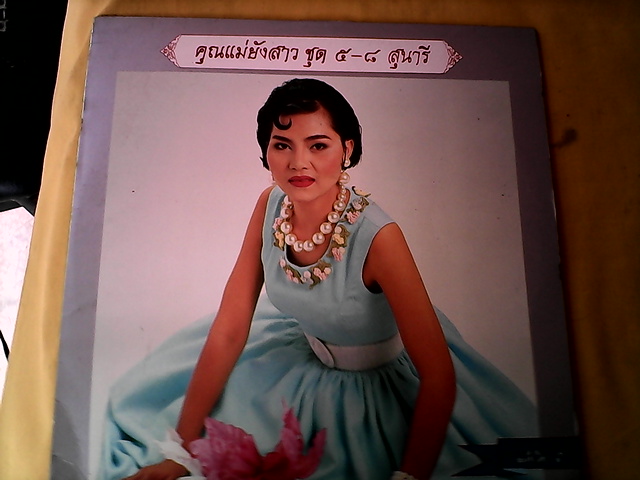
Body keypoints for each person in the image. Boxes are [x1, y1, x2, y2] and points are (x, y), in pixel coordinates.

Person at [100, 78, 538, 480]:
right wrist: (181, 452)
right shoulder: (271, 203)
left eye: (318, 145)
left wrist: (410, 477)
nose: (299, 162)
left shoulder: (380, 238)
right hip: (300, 363)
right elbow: (231, 328)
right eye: (282, 145)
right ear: (266, 152)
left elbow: (438, 375)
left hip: (385, 388)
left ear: (347, 149)